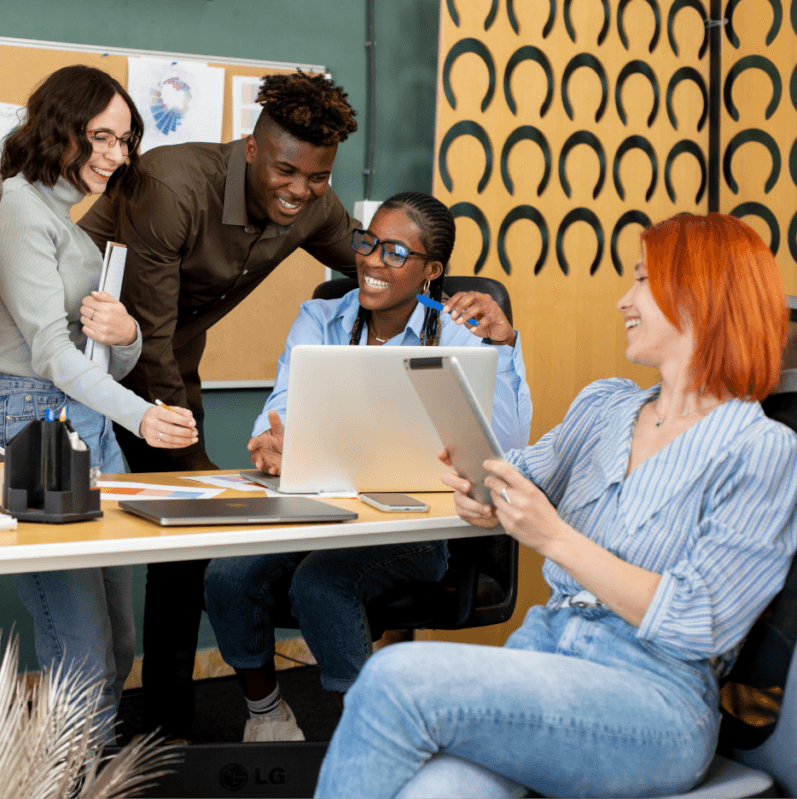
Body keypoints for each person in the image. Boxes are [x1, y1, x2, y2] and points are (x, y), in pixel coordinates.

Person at [314, 213, 797, 799]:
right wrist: (479, 491)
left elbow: (703, 622)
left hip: (653, 699)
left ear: (698, 297)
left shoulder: (761, 448)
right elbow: (517, 476)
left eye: (642, 280)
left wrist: (555, 537)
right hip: (546, 654)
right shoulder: (606, 406)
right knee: (436, 791)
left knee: (394, 676)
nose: (624, 299)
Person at [78, 71, 361, 738]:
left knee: (185, 546)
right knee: (89, 545)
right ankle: (91, 732)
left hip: (167, 366)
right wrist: (198, 470)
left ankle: (166, 729)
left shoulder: (314, 202)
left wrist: (462, 296)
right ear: (253, 148)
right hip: (85, 361)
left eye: (317, 179)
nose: (300, 191)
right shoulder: (174, 184)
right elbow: (144, 327)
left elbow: (382, 266)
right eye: (287, 171)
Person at [204, 191, 533, 742]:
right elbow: (282, 405)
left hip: (414, 527)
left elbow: (501, 445)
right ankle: (267, 718)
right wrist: (274, 440)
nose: (373, 260)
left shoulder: (457, 333)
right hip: (315, 514)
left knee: (320, 584)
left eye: (396, 252)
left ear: (433, 271)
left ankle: (361, 741)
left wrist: (503, 347)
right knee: (227, 574)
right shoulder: (322, 316)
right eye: (369, 242)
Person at [0, 65, 198, 724]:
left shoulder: (70, 223)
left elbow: (100, 360)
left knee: (118, 649)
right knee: (84, 657)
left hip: (85, 423)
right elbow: (51, 354)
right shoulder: (14, 209)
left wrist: (127, 336)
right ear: (59, 128)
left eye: (125, 141)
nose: (116, 156)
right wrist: (145, 418)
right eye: (101, 137)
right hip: (29, 423)